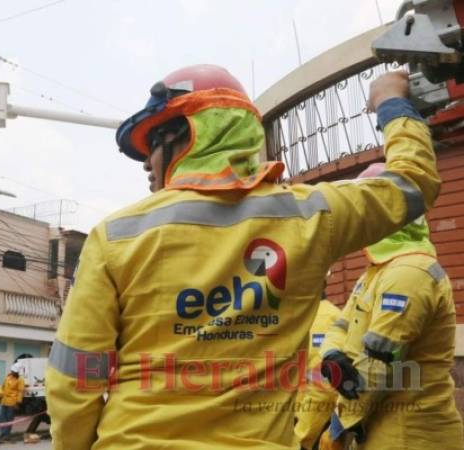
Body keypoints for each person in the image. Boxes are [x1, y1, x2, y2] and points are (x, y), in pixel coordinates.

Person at [45, 65, 441, 450]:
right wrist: (390, 101)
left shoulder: (117, 235)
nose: (147, 163)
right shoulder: (310, 216)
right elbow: (412, 183)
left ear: (190, 134)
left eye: (153, 145)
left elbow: (77, 374)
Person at [317, 163, 464, 450]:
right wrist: (333, 353)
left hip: (413, 437)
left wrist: (336, 429)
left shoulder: (410, 272)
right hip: (379, 432)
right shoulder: (376, 273)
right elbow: (341, 326)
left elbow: (378, 369)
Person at [294, 292, 341, 450]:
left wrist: (300, 438)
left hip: (314, 428)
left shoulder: (322, 318)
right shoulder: (304, 316)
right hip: (306, 424)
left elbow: (324, 386)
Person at [0, 364, 25, 440]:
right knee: (2, 418)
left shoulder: (20, 380)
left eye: (14, 371)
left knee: (9, 419)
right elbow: (2, 388)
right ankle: (2, 433)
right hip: (4, 401)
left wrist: (17, 402)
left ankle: (7, 435)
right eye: (12, 371)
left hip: (12, 402)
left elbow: (20, 392)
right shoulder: (7, 377)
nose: (12, 372)